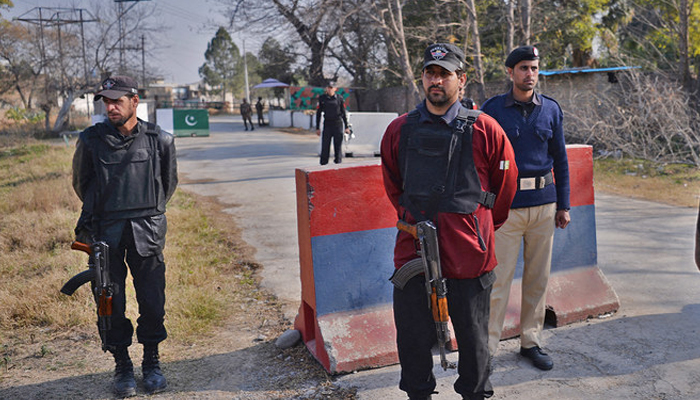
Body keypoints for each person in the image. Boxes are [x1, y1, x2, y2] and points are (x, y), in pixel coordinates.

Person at [381, 43, 518, 400]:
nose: (436, 80)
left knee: (474, 342)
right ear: (423, 79)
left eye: (444, 74)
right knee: (411, 339)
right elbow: (395, 187)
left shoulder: (487, 129)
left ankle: (474, 394)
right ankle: (419, 393)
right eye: (430, 73)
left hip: (470, 256)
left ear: (462, 80)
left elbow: (503, 194)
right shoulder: (399, 131)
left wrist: (475, 228)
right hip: (413, 254)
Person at [72, 75, 178, 397]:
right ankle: (122, 365)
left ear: (135, 100)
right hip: (105, 234)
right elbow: (82, 184)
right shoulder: (91, 140)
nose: (111, 106)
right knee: (109, 304)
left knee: (153, 302)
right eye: (106, 101)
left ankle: (151, 362)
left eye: (117, 100)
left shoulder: (160, 140)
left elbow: (167, 185)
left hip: (146, 233)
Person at [481, 45, 571, 371]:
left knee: (537, 279)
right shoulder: (492, 110)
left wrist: (564, 205)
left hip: (544, 207)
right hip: (506, 210)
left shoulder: (550, 109)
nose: (529, 74)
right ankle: (486, 349)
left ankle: (530, 342)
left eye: (534, 68)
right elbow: (480, 161)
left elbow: (560, 160)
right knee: (498, 281)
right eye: (523, 68)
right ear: (510, 72)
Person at [315, 82, 350, 165]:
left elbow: (343, 112)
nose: (330, 89)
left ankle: (338, 162)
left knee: (337, 145)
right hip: (327, 124)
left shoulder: (339, 98)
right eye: (328, 88)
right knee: (325, 145)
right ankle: (323, 163)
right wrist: (317, 127)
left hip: (337, 124)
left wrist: (346, 126)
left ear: (335, 89)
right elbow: (319, 113)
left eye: (331, 88)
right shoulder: (322, 98)